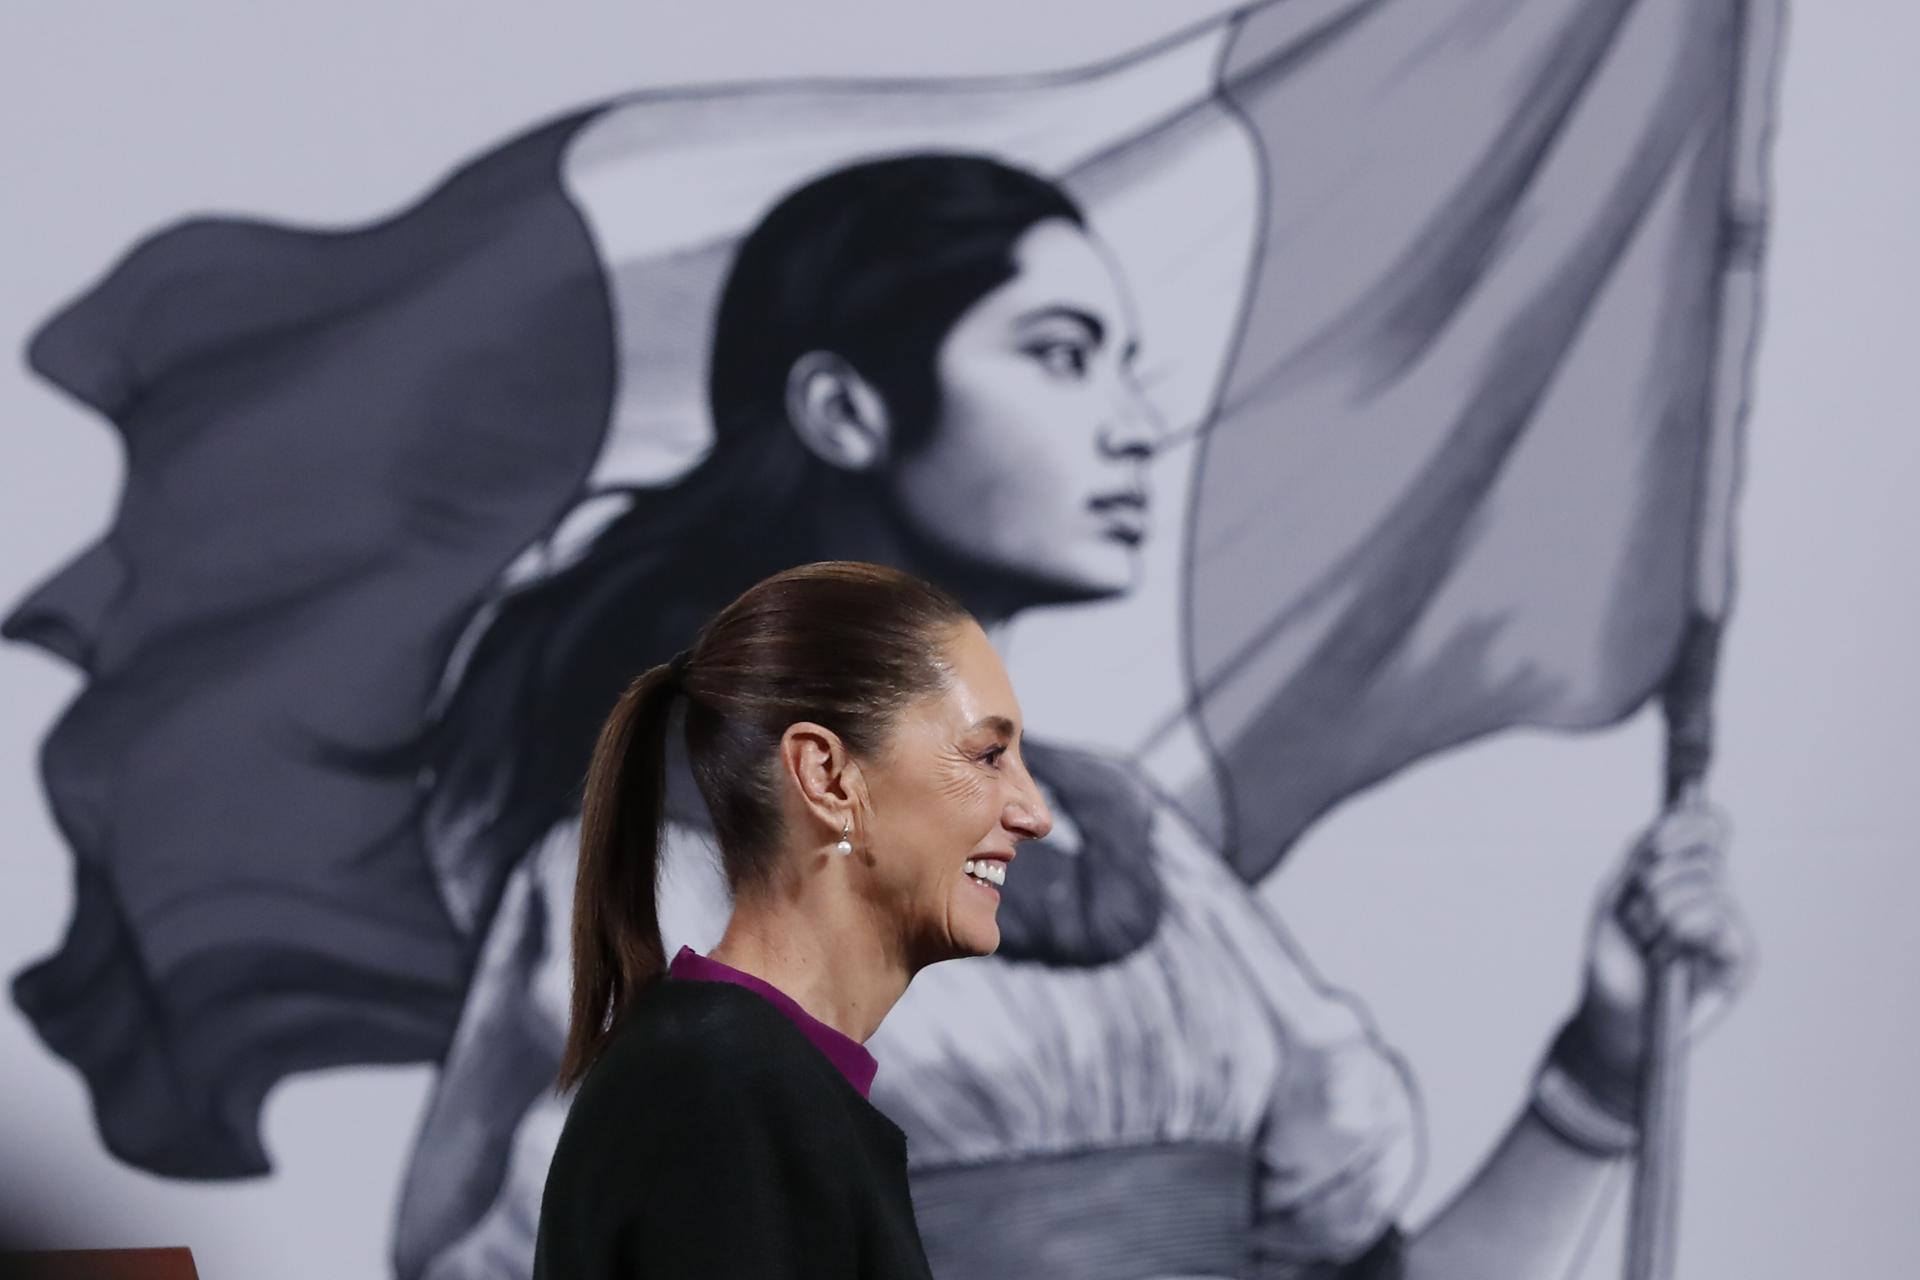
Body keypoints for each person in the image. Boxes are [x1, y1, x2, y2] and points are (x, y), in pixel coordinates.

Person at [383, 153, 1748, 1280]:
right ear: (846, 410)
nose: (1133, 423)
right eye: (1060, 353)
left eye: (1125, 361)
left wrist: (1603, 1070)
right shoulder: (667, 873)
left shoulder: (1131, 845)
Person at [533, 560, 1047, 1279]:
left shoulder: (734, 1076)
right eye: (988, 755)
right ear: (829, 779)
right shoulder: (727, 1093)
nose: (1035, 814)